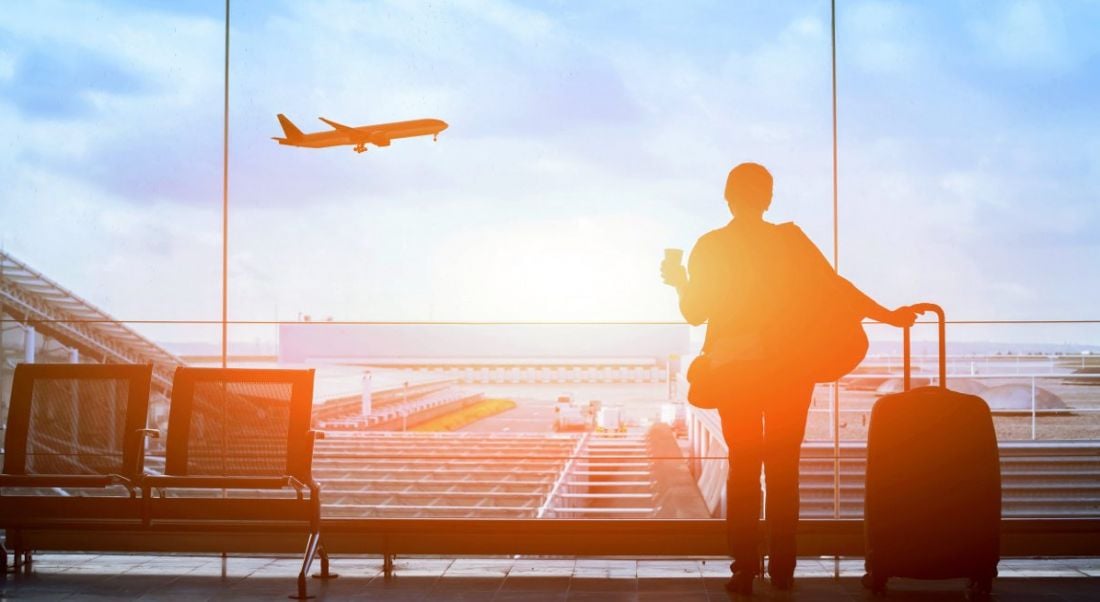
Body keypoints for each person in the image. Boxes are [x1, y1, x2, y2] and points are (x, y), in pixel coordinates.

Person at [661, 162, 916, 594]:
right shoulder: (790, 242)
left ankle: (743, 570)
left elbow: (694, 313)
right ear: (768, 198)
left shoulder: (711, 245)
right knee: (783, 470)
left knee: (743, 469)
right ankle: (783, 568)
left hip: (736, 371)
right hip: (788, 372)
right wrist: (888, 316)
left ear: (727, 196)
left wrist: (679, 280)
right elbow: (836, 287)